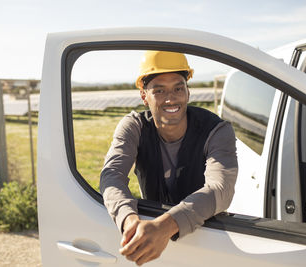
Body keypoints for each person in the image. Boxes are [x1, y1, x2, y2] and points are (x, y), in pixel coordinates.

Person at [100, 50, 238, 266]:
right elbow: (112, 176)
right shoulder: (134, 127)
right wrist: (129, 220)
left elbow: (221, 188)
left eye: (178, 88)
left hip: (208, 240)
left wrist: (164, 227)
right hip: (154, 248)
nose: (171, 98)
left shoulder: (217, 131)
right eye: (159, 90)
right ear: (144, 96)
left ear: (188, 92)